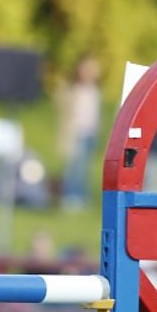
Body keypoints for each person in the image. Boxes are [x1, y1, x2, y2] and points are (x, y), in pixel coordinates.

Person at [57, 54, 102, 210]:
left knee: (85, 167)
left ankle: (82, 195)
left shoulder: (95, 91)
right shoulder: (75, 90)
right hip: (77, 133)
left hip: (90, 133)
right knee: (75, 166)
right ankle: (72, 196)